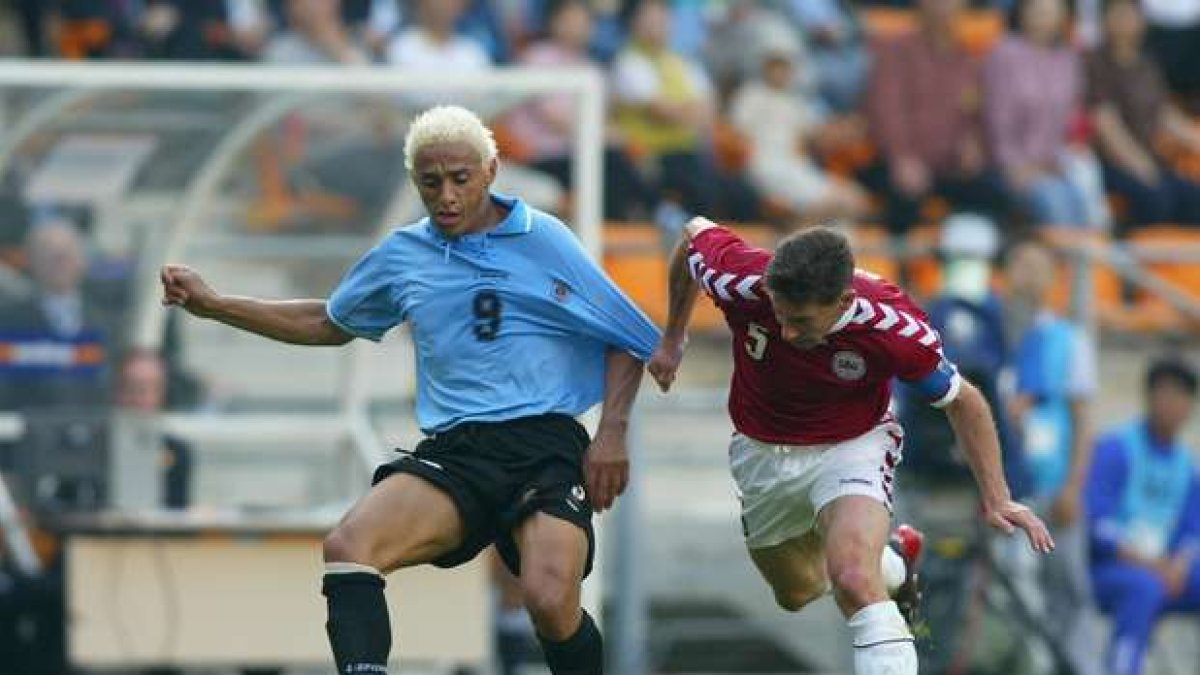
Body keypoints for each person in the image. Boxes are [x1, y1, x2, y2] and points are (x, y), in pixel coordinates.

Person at [159, 105, 660, 675]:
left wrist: (612, 432)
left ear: (491, 170)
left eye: (460, 179)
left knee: (547, 600)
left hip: (544, 448)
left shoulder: (542, 238)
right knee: (349, 548)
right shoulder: (404, 254)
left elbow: (625, 335)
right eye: (431, 182)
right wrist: (217, 304)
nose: (445, 195)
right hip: (459, 452)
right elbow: (328, 323)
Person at [648, 218, 1053, 675]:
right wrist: (673, 337)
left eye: (801, 321)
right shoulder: (741, 280)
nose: (786, 332)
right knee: (796, 592)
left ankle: (878, 575)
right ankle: (894, 559)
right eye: (780, 314)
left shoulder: (893, 326)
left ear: (843, 301)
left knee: (854, 581)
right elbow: (692, 235)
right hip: (761, 451)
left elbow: (965, 400)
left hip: (852, 445)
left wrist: (997, 496)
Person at [1001, 239, 1101, 674]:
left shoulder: (1068, 340)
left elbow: (1082, 418)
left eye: (1040, 266)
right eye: (1021, 262)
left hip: (1055, 484)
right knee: (1013, 592)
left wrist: (1075, 486)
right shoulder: (993, 335)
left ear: (1056, 278)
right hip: (1007, 491)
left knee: (1069, 590)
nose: (1030, 274)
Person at [1087, 356, 1200, 675]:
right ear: (1149, 396)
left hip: (1165, 572)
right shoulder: (1115, 448)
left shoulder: (1187, 468)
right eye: (1166, 394)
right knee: (1143, 587)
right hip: (1110, 571)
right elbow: (1097, 525)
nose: (1173, 404)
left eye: (1182, 397)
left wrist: (1178, 565)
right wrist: (1151, 565)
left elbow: (1193, 531)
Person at [1087, 0, 1200, 230]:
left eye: (1131, 15)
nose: (1125, 22)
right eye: (1118, 15)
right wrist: (1139, 164)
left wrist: (1196, 139)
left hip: (1151, 159)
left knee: (1193, 198)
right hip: (1111, 164)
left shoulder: (1146, 63)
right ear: (1104, 20)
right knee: (1155, 198)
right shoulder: (1095, 62)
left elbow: (1164, 114)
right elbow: (1105, 123)